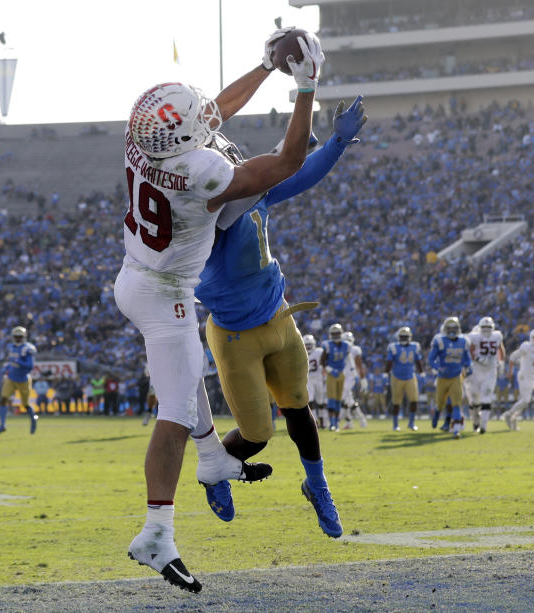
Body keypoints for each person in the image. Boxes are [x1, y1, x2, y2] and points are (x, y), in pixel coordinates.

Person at [116, 28, 324, 593]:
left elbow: (211, 114)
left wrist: (263, 67)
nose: (208, 115)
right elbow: (285, 162)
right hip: (168, 295)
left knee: (188, 380)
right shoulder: (200, 171)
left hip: (136, 276)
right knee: (177, 410)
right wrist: (304, 88)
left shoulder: (141, 140)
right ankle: (157, 529)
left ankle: (213, 462)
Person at [196, 95, 364, 537]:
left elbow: (301, 175)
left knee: (299, 408)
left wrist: (336, 146)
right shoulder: (199, 219)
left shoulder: (252, 193)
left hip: (278, 317)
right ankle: (214, 472)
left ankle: (318, 485)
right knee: (255, 434)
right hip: (235, 335)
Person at [428, 316, 473, 438]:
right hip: (442, 377)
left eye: (454, 328)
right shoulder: (440, 340)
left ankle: (456, 430)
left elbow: (467, 359)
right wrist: (438, 367)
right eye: (450, 328)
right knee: (440, 403)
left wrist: (469, 367)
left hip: (456, 377)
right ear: (445, 329)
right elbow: (431, 359)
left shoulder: (463, 341)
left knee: (456, 404)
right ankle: (437, 413)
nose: (452, 330)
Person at [501, 328, 534, 431]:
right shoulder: (526, 346)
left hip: (532, 376)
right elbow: (513, 357)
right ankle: (509, 414)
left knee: (525, 401)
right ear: (531, 337)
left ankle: (513, 419)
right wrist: (510, 372)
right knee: (526, 400)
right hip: (524, 375)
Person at [465, 316, 506, 433]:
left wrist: (502, 361)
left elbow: (501, 349)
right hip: (476, 370)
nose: (487, 329)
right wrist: (477, 358)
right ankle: (475, 421)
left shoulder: (497, 336)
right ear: (480, 327)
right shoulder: (475, 336)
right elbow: (469, 351)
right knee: (474, 399)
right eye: (485, 327)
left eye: (489, 327)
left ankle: (483, 425)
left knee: (487, 395)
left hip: (490, 370)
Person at [0, 326, 38, 435]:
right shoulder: (11, 347)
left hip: (23, 379)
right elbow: (11, 363)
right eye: (16, 337)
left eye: (20, 337)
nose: (18, 339)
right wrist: (7, 368)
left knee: (25, 404)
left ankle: (33, 418)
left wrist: (18, 362)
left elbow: (30, 366)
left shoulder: (27, 348)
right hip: (11, 378)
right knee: (3, 399)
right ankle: (2, 425)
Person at [386, 326, 424, 431]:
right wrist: (386, 373)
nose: (403, 338)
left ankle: (411, 423)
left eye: (405, 336)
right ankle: (395, 425)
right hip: (397, 377)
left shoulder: (414, 347)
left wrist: (421, 372)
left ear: (409, 337)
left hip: (410, 376)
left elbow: (418, 360)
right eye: (402, 336)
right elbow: (389, 361)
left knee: (414, 400)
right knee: (396, 402)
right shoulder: (394, 347)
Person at [320, 323, 351, 431]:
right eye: (334, 333)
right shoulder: (328, 345)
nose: (336, 335)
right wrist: (330, 369)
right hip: (331, 374)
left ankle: (336, 423)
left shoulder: (346, 345)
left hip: (341, 374)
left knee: (338, 399)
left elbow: (348, 359)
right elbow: (322, 361)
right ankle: (332, 423)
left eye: (337, 333)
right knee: (332, 399)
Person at [340, 330, 368, 429]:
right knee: (349, 401)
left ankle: (336, 421)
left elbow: (359, 365)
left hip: (351, 377)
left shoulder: (355, 349)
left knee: (342, 398)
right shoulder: (339, 348)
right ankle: (357, 420)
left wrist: (363, 379)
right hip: (342, 377)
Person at [303, 334, 327, 428]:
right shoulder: (302, 353)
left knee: (321, 402)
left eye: (309, 344)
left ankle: (323, 421)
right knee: (311, 400)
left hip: (319, 378)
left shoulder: (319, 351)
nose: (308, 347)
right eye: (306, 345)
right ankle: (315, 421)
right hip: (309, 379)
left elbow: (325, 361)